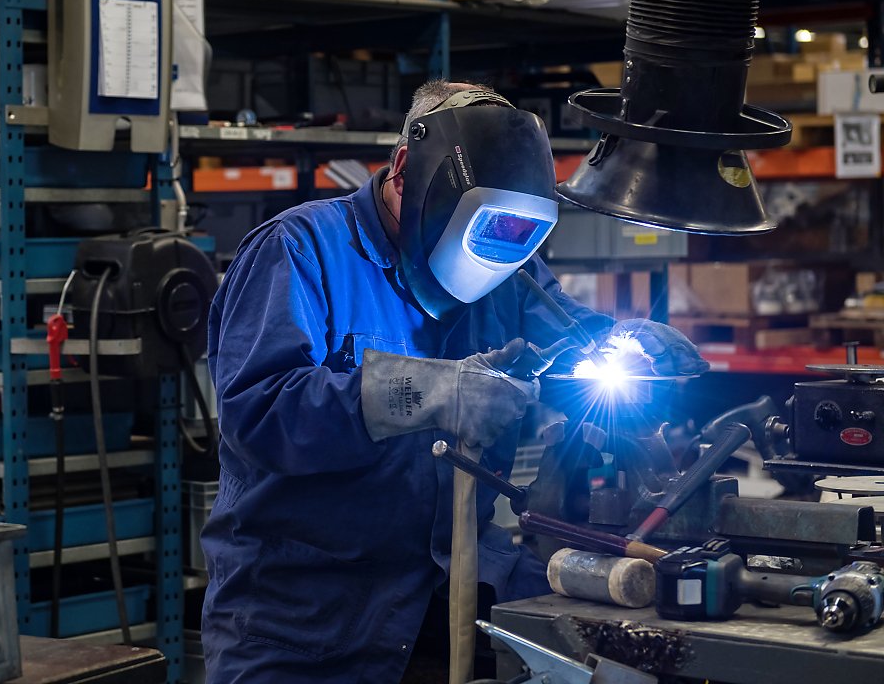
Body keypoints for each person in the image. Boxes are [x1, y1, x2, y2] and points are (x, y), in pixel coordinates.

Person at [201, 80, 707, 683]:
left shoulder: (510, 269)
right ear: (404, 169)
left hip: (448, 600)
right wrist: (434, 392)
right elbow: (259, 413)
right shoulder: (301, 250)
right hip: (307, 619)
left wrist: (627, 341)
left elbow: (574, 333)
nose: (495, 250)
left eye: (518, 232)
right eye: (486, 224)